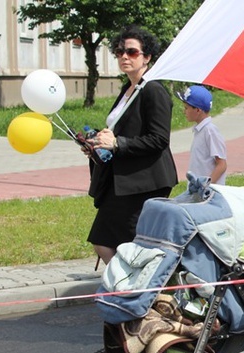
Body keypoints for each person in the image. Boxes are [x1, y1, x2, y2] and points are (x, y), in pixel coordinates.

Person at [86, 25, 177, 265]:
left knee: (123, 245)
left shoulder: (153, 90)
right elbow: (121, 130)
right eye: (119, 51)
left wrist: (117, 144)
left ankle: (139, 294)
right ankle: (130, 293)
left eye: (132, 52)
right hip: (124, 180)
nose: (124, 56)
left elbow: (159, 139)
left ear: (147, 57)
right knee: (104, 241)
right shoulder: (129, 89)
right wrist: (96, 143)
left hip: (145, 182)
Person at [175, 85, 228, 185]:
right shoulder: (200, 130)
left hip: (208, 194)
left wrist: (205, 186)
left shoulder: (210, 131)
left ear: (198, 110)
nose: (184, 111)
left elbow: (221, 165)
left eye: (186, 108)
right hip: (198, 192)